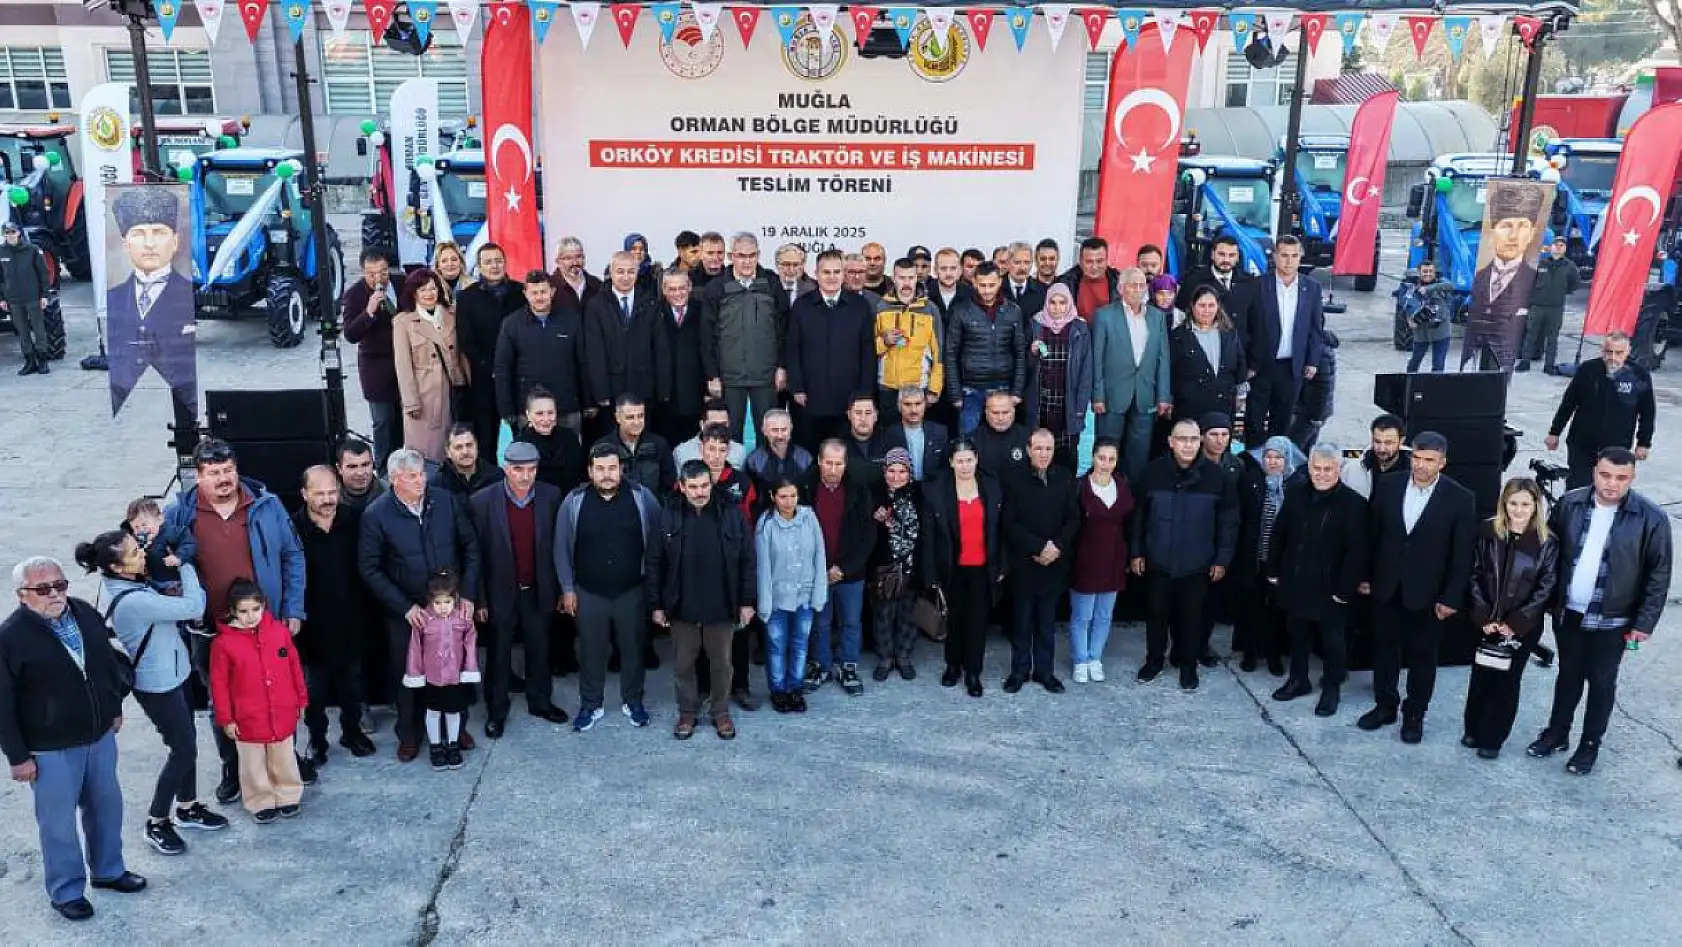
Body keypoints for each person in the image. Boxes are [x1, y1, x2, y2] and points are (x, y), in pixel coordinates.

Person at [160, 437, 306, 805]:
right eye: (214, 473)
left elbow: (292, 555)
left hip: (265, 624)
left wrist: (292, 609)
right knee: (221, 700)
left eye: (228, 470)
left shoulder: (267, 505)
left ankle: (284, 762)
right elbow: (161, 566)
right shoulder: (179, 514)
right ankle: (234, 767)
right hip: (210, 629)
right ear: (199, 476)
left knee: (276, 692)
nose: (223, 478)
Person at [2, 556, 144, 921]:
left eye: (60, 585)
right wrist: (18, 756)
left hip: (98, 736)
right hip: (49, 749)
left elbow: (106, 664)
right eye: (43, 589)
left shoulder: (83, 613)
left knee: (107, 807)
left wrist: (113, 707)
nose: (54, 594)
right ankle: (66, 891)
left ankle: (109, 871)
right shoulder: (10, 638)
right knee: (59, 824)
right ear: (22, 595)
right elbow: (2, 704)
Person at [75, 532, 225, 857]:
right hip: (159, 685)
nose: (143, 554)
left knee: (187, 743)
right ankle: (157, 820)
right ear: (117, 567)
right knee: (182, 749)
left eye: (138, 547)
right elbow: (193, 606)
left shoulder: (126, 583)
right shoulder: (133, 601)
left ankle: (188, 806)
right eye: (133, 553)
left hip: (175, 671)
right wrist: (184, 563)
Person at [1530, 448, 1672, 775]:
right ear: (1594, 472)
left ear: (1632, 478)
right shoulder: (1570, 504)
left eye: (1621, 478)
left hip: (1614, 620)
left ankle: (1589, 744)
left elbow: (1659, 574)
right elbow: (1549, 555)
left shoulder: (1651, 518)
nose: (1612, 484)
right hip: (1570, 612)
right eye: (1605, 475)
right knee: (1568, 675)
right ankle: (1557, 733)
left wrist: (1644, 623)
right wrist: (1544, 603)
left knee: (1601, 682)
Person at [358, 448, 482, 762]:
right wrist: (405, 607)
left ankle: (456, 728)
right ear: (394, 480)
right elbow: (370, 569)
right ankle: (410, 734)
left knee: (454, 668)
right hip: (407, 611)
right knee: (408, 673)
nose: (421, 481)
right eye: (412, 476)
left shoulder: (445, 501)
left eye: (422, 474)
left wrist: (467, 595)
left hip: (449, 606)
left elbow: (471, 546)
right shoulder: (376, 515)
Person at [1357, 431, 1477, 744]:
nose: (1421, 466)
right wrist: (1366, 576)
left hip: (1429, 595)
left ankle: (1414, 715)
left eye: (1429, 460)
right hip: (1386, 587)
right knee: (1384, 650)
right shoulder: (1388, 485)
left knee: (1423, 658)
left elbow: (1462, 556)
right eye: (1418, 458)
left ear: (1443, 462)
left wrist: (1451, 597)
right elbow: (1372, 536)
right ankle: (1384, 706)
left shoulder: (1461, 499)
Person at [554, 444, 662, 732]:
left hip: (632, 591)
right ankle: (591, 705)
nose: (607, 474)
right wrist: (567, 589)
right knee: (591, 652)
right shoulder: (573, 502)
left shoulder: (642, 498)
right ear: (590, 471)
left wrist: (654, 591)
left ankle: (633, 701)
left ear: (621, 469)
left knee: (634, 651)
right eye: (600, 468)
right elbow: (561, 548)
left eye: (612, 468)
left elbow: (657, 544)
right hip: (588, 592)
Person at [649, 460, 757, 741]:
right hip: (681, 607)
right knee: (684, 665)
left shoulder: (732, 513)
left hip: (721, 606)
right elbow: (654, 563)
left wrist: (747, 601)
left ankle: (720, 712)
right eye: (694, 487)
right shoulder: (667, 515)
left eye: (705, 485)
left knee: (722, 665)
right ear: (682, 487)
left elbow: (748, 560)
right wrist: (656, 605)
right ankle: (687, 712)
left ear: (712, 484)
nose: (700, 492)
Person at [1130, 419, 1238, 690]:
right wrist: (1136, 552)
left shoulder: (1217, 478)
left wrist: (1222, 559)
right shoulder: (1152, 472)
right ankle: (1154, 662)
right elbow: (1138, 517)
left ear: (1200, 441)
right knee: (1156, 616)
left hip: (1197, 564)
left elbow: (1228, 522)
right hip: (1158, 561)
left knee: (1191, 619)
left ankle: (1188, 668)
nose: (1187, 445)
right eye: (1182, 439)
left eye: (1192, 439)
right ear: (1171, 442)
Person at [468, 441, 568, 736]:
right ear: (506, 469)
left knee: (540, 649)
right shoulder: (482, 501)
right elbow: (476, 555)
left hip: (537, 588)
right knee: (499, 655)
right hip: (500, 592)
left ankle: (540, 701)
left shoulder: (551, 496)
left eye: (531, 470)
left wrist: (561, 589)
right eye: (518, 470)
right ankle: (496, 711)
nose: (525, 476)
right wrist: (480, 599)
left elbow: (559, 546)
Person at [1265, 444, 1367, 716]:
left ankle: (1331, 688)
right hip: (1296, 581)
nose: (1321, 474)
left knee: (1333, 642)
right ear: (1309, 467)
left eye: (1328, 469)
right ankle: (1298, 680)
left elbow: (1356, 552)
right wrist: (1273, 570)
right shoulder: (1296, 493)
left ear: (1339, 469)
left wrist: (1344, 590)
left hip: (1331, 588)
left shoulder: (1354, 504)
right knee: (1297, 635)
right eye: (1316, 468)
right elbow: (1280, 533)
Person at [1460, 479, 1559, 758]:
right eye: (1513, 503)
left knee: (1506, 682)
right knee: (1481, 675)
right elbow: (1474, 573)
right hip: (1486, 620)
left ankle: (1493, 738)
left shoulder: (1547, 542)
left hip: (1521, 626)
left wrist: (1514, 623)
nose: (1518, 510)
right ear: (1504, 503)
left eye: (1525, 504)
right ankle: (1472, 729)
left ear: (1536, 506)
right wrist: (1483, 615)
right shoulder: (1488, 532)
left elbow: (1546, 587)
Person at [291, 466, 378, 765]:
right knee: (314, 692)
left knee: (351, 685)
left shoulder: (354, 521)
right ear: (304, 494)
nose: (328, 499)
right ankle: (317, 741)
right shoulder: (293, 529)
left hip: (352, 620)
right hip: (312, 627)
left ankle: (352, 733)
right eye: (320, 493)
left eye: (332, 492)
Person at [210, 579, 308, 824]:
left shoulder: (280, 632)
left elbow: (294, 667)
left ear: (264, 605)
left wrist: (301, 700)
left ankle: (288, 794)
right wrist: (227, 718)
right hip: (247, 715)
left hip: (282, 708)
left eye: (255, 609)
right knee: (252, 763)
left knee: (284, 757)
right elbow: (219, 685)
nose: (250, 616)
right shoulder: (223, 644)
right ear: (233, 611)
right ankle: (260, 800)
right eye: (243, 611)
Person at [105, 186, 196, 417]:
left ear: (175, 242)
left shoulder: (187, 295)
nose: (149, 244)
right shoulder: (115, 297)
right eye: (138, 233)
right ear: (126, 244)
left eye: (158, 232)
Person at [1002, 429, 1081, 693]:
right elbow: (1009, 523)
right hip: (1025, 562)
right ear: (1028, 450)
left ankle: (1045, 672)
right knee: (1022, 623)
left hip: (1054, 563)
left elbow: (1073, 519)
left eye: (1048, 449)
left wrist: (1056, 547)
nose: (1043, 454)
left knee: (1047, 625)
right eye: (1038, 448)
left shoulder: (1066, 478)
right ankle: (1019, 671)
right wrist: (1037, 546)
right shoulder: (1013, 480)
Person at [924, 439, 1003, 697]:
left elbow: (1000, 529)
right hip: (952, 567)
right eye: (960, 461)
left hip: (982, 567)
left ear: (977, 460)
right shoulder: (937, 490)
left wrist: (1002, 565)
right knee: (954, 619)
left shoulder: (991, 486)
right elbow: (929, 535)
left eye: (969, 460)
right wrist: (931, 574)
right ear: (951, 462)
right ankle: (953, 666)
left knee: (977, 622)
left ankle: (973, 672)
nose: (965, 466)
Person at [787, 249, 877, 453]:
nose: (832, 277)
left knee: (844, 454)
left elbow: (868, 352)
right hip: (810, 398)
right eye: (826, 272)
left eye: (837, 272)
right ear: (816, 274)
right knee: (809, 452)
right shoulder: (802, 306)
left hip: (848, 399)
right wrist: (797, 387)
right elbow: (793, 349)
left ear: (843, 274)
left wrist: (864, 393)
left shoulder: (859, 306)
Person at [702, 232, 788, 441]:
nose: (747, 261)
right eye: (741, 256)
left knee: (769, 436)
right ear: (731, 256)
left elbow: (785, 329)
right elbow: (706, 336)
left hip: (766, 376)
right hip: (729, 377)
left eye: (751, 255)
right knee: (730, 437)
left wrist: (782, 367)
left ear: (758, 255)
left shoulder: (771, 283)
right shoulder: (716, 287)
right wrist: (712, 375)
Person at [805, 440, 876, 695]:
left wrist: (843, 568)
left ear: (846, 464)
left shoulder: (859, 489)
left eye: (838, 464)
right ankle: (820, 666)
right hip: (817, 572)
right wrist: (821, 569)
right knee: (820, 624)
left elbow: (868, 535)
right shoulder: (805, 489)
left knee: (851, 622)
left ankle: (848, 666)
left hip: (850, 573)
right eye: (828, 463)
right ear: (819, 461)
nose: (833, 469)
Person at [1232, 436, 1305, 675]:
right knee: (1251, 607)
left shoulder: (1297, 486)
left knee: (1276, 610)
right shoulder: (1252, 481)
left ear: (1287, 459)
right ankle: (1250, 653)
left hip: (1281, 562)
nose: (1272, 462)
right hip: (1254, 558)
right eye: (1268, 457)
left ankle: (1273, 655)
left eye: (1278, 457)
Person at [1545, 332, 1655, 490]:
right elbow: (1569, 402)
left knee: (1608, 490)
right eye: (1609, 352)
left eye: (1619, 353)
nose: (1613, 357)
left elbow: (1647, 412)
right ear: (1602, 350)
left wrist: (1644, 443)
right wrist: (1554, 432)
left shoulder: (1639, 375)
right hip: (1582, 444)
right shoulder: (1588, 369)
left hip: (1617, 448)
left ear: (1628, 352)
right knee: (1578, 489)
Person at [1092, 267, 1172, 483]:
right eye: (1132, 285)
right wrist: (1097, 395)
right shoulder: (1104, 315)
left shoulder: (1157, 317)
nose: (1138, 289)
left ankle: (1134, 497)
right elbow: (1097, 359)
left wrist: (1163, 396)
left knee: (1139, 455)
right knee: (1107, 450)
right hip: (1112, 396)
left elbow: (1163, 359)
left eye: (1141, 285)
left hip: (1145, 395)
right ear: (1121, 289)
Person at [1243, 237, 1325, 441]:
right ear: (1275, 256)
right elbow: (1246, 327)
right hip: (1261, 367)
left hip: (1292, 368)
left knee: (1282, 423)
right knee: (1254, 422)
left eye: (1294, 256)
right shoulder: (1258, 285)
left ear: (1300, 257)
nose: (1289, 261)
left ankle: (1277, 459)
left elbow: (1316, 328)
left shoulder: (1312, 288)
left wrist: (1312, 361)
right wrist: (1248, 364)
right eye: (1284, 255)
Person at [756, 478, 827, 712]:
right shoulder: (766, 524)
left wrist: (819, 593)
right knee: (776, 645)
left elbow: (819, 556)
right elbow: (763, 567)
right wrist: (764, 603)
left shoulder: (809, 518)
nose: (788, 502)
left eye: (793, 496)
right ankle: (778, 689)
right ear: (773, 497)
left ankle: (795, 687)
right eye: (783, 496)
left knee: (800, 644)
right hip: (777, 598)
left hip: (803, 596)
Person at [1068, 438, 1134, 683]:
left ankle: (1095, 658)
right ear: (1093, 457)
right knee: (1082, 615)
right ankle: (1080, 659)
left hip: (1114, 558)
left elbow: (1129, 524)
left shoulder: (1123, 486)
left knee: (1104, 615)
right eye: (1101, 458)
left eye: (1111, 459)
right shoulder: (1080, 487)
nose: (1106, 464)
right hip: (1085, 559)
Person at [453, 243, 527, 454]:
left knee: (523, 435)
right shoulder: (467, 297)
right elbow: (466, 339)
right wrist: (488, 367)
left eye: (498, 261)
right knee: (486, 438)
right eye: (488, 262)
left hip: (519, 375)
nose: (494, 266)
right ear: (479, 266)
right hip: (484, 378)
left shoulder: (521, 292)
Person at [402, 573, 480, 771]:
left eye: (447, 602)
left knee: (454, 711)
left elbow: (470, 645)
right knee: (433, 712)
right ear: (430, 600)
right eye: (437, 602)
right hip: (432, 677)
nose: (443, 607)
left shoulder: (463, 619)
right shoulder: (423, 620)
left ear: (455, 599)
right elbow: (415, 649)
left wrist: (469, 669)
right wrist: (415, 674)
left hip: (455, 676)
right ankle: (435, 747)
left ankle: (453, 745)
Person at [495, 270, 586, 434]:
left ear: (552, 291)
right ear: (525, 294)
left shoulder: (571, 319)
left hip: (566, 407)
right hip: (528, 410)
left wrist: (588, 402)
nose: (539, 297)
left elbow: (583, 362)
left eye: (543, 292)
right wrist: (506, 409)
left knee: (569, 449)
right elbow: (503, 368)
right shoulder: (511, 324)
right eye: (534, 293)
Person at [392, 267, 468, 463]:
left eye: (433, 288)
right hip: (424, 396)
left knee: (457, 447)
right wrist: (411, 402)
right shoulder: (403, 322)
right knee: (425, 452)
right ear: (414, 294)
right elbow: (403, 365)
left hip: (453, 391)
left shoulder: (452, 314)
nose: (429, 293)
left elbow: (463, 353)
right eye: (423, 289)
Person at [1465, 185, 1543, 368]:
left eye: (1522, 226)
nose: (1513, 236)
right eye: (1506, 226)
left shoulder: (1532, 279)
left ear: (1532, 233)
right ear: (1491, 231)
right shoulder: (1480, 278)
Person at [585, 250, 663, 432]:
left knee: (642, 436)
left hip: (643, 386)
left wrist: (660, 389)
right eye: (620, 271)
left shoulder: (650, 302)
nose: (626, 277)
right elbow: (594, 352)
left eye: (631, 271)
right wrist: (601, 392)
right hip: (612, 389)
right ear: (611, 272)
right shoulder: (596, 305)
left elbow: (659, 348)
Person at [944, 262, 1027, 434]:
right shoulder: (961, 311)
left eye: (991, 285)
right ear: (974, 282)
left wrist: (1017, 390)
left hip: (1004, 387)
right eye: (982, 285)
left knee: (1002, 439)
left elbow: (1020, 352)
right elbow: (951, 353)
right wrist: (955, 393)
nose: (987, 290)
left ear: (1000, 282)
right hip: (970, 389)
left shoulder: (1013, 311)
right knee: (968, 440)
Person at [870, 448, 927, 682]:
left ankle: (903, 656)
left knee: (909, 614)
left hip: (912, 564)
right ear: (884, 471)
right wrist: (876, 519)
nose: (896, 476)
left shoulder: (919, 495)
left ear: (910, 473)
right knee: (883, 613)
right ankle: (885, 657)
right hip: (885, 566)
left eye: (902, 471)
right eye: (891, 471)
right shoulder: (875, 495)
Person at [343, 247, 402, 467]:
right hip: (376, 369)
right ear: (363, 272)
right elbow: (350, 334)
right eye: (372, 274)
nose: (378, 278)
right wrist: (368, 311)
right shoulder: (354, 294)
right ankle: (382, 466)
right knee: (382, 420)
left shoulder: (402, 283)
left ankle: (401, 463)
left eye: (383, 272)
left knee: (404, 419)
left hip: (405, 363)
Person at [1024, 283, 1094, 469]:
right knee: (1040, 450)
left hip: (1068, 402)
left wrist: (1080, 407)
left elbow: (1086, 371)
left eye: (1062, 303)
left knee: (1067, 453)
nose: (1057, 308)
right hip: (1041, 401)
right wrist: (1032, 353)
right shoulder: (1035, 324)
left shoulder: (1079, 328)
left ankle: (1067, 486)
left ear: (1069, 303)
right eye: (1052, 302)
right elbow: (1024, 366)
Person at [874, 257, 944, 417]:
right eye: (901, 278)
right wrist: (885, 342)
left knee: (915, 430)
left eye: (911, 278)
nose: (906, 283)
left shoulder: (929, 309)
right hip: (887, 387)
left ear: (916, 278)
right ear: (893, 278)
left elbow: (939, 352)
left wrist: (934, 388)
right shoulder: (881, 307)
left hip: (919, 387)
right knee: (890, 431)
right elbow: (869, 348)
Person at [655, 268, 715, 449]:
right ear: (664, 290)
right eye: (672, 289)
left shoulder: (702, 310)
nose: (678, 293)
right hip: (663, 396)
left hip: (694, 393)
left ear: (690, 287)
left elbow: (709, 347)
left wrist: (710, 380)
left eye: (682, 288)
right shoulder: (654, 312)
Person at [1169, 285, 1245, 423]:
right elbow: (1170, 371)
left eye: (1211, 305)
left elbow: (1240, 364)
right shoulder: (1178, 336)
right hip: (1189, 408)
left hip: (1223, 407)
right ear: (1192, 306)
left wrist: (1240, 394)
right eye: (1202, 305)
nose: (1207, 310)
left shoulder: (1229, 334)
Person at [1517, 235, 1582, 374]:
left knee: (1552, 338)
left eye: (1561, 245)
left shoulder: (1569, 266)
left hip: (1555, 308)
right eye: (1556, 245)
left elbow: (1575, 283)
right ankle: (1525, 361)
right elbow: (1530, 282)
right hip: (1537, 306)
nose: (1558, 248)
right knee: (1531, 335)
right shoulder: (1541, 264)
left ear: (1565, 249)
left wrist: (1561, 291)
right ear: (1551, 247)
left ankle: (1549, 365)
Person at [0, 220, 53, 375]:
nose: (10, 235)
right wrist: (2, 298)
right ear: (4, 235)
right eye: (7, 233)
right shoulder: (1, 252)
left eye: (13, 232)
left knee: (38, 329)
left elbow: (43, 273)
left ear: (18, 233)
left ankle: (42, 361)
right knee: (22, 331)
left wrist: (44, 295)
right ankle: (30, 361)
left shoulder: (32, 250)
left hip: (33, 298)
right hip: (13, 300)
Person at [1175, 235, 1255, 332]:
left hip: (1240, 340)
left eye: (1231, 255)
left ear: (1238, 257)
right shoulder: (1193, 281)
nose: (1226, 260)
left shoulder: (1249, 282)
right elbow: (1180, 314)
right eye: (1221, 254)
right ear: (1212, 255)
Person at [595, 394, 675, 493]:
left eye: (640, 416)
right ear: (617, 418)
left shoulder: (659, 444)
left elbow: (669, 487)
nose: (636, 422)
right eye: (630, 417)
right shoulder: (602, 447)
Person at [513, 387, 585, 495]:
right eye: (539, 413)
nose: (546, 419)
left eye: (550, 413)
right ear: (528, 415)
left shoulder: (570, 438)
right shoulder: (519, 446)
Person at [744, 408, 814, 506]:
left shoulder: (805, 458)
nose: (780, 436)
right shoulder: (754, 461)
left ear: (791, 429)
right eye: (775, 430)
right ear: (764, 430)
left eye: (784, 430)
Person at [880, 386, 949, 482]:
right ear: (899, 406)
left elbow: (945, 468)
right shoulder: (889, 434)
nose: (913, 410)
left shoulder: (939, 431)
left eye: (918, 404)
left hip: (932, 488)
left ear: (925, 405)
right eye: (907, 404)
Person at [1397, 260, 1455, 373]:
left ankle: (1435, 384)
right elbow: (1405, 303)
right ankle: (1409, 382)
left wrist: (1429, 288)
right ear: (1419, 272)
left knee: (1438, 365)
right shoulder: (1412, 286)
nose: (1428, 274)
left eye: (1430, 271)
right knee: (1414, 363)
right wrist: (1409, 319)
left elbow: (1451, 286)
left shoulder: (1441, 283)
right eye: (1425, 271)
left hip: (1441, 332)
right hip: (1422, 333)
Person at [1340, 414, 1410, 499]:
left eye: (1388, 443)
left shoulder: (1414, 469)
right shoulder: (1353, 466)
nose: (1382, 449)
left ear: (1401, 440)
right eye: (1377, 441)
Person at [1057, 236, 1121, 322]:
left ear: (1107, 260)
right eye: (1089, 261)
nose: (1094, 267)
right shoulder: (1065, 283)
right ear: (1080, 261)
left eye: (1099, 261)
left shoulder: (1120, 282)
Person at [430, 424, 504, 498]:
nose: (465, 452)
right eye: (458, 447)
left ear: (476, 447)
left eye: (469, 445)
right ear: (448, 452)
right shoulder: (438, 484)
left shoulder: (497, 477)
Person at [672, 399, 748, 471]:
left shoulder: (739, 451)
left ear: (729, 424)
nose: (718, 428)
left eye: (723, 424)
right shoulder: (682, 452)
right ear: (702, 425)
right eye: (713, 424)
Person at [972, 390, 1030, 481]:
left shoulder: (1028, 437)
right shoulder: (973, 440)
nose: (1000, 418)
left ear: (1014, 411)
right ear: (986, 412)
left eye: (1005, 412)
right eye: (995, 413)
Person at [550, 236, 602, 312]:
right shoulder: (549, 286)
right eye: (568, 258)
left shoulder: (596, 284)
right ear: (557, 261)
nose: (575, 262)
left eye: (578, 257)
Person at [335, 436, 387, 510]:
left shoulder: (390, 493)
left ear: (373, 464)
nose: (360, 473)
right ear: (339, 469)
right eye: (352, 466)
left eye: (365, 465)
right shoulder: (329, 499)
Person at [925, 247, 974, 327]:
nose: (948, 273)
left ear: (960, 270)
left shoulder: (971, 295)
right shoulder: (924, 295)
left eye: (953, 268)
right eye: (943, 268)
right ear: (935, 270)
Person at [1002, 241, 1046, 322]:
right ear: (1008, 263)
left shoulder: (1042, 291)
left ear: (1032, 263)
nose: (1022, 268)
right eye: (1017, 262)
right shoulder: (995, 288)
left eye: (1027, 262)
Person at [773, 243, 815, 307]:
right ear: (777, 264)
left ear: (802, 265)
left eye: (796, 265)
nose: (791, 270)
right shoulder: (767, 288)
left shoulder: (814, 289)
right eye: (786, 264)